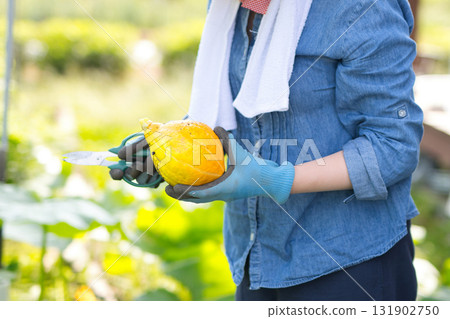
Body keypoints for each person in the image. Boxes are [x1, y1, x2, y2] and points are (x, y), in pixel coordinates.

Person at [114, 0, 423, 301]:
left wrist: (275, 179)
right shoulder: (230, 5)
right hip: (254, 257)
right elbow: (234, 113)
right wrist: (168, 149)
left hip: (348, 264)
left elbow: (393, 145)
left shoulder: (360, 7)